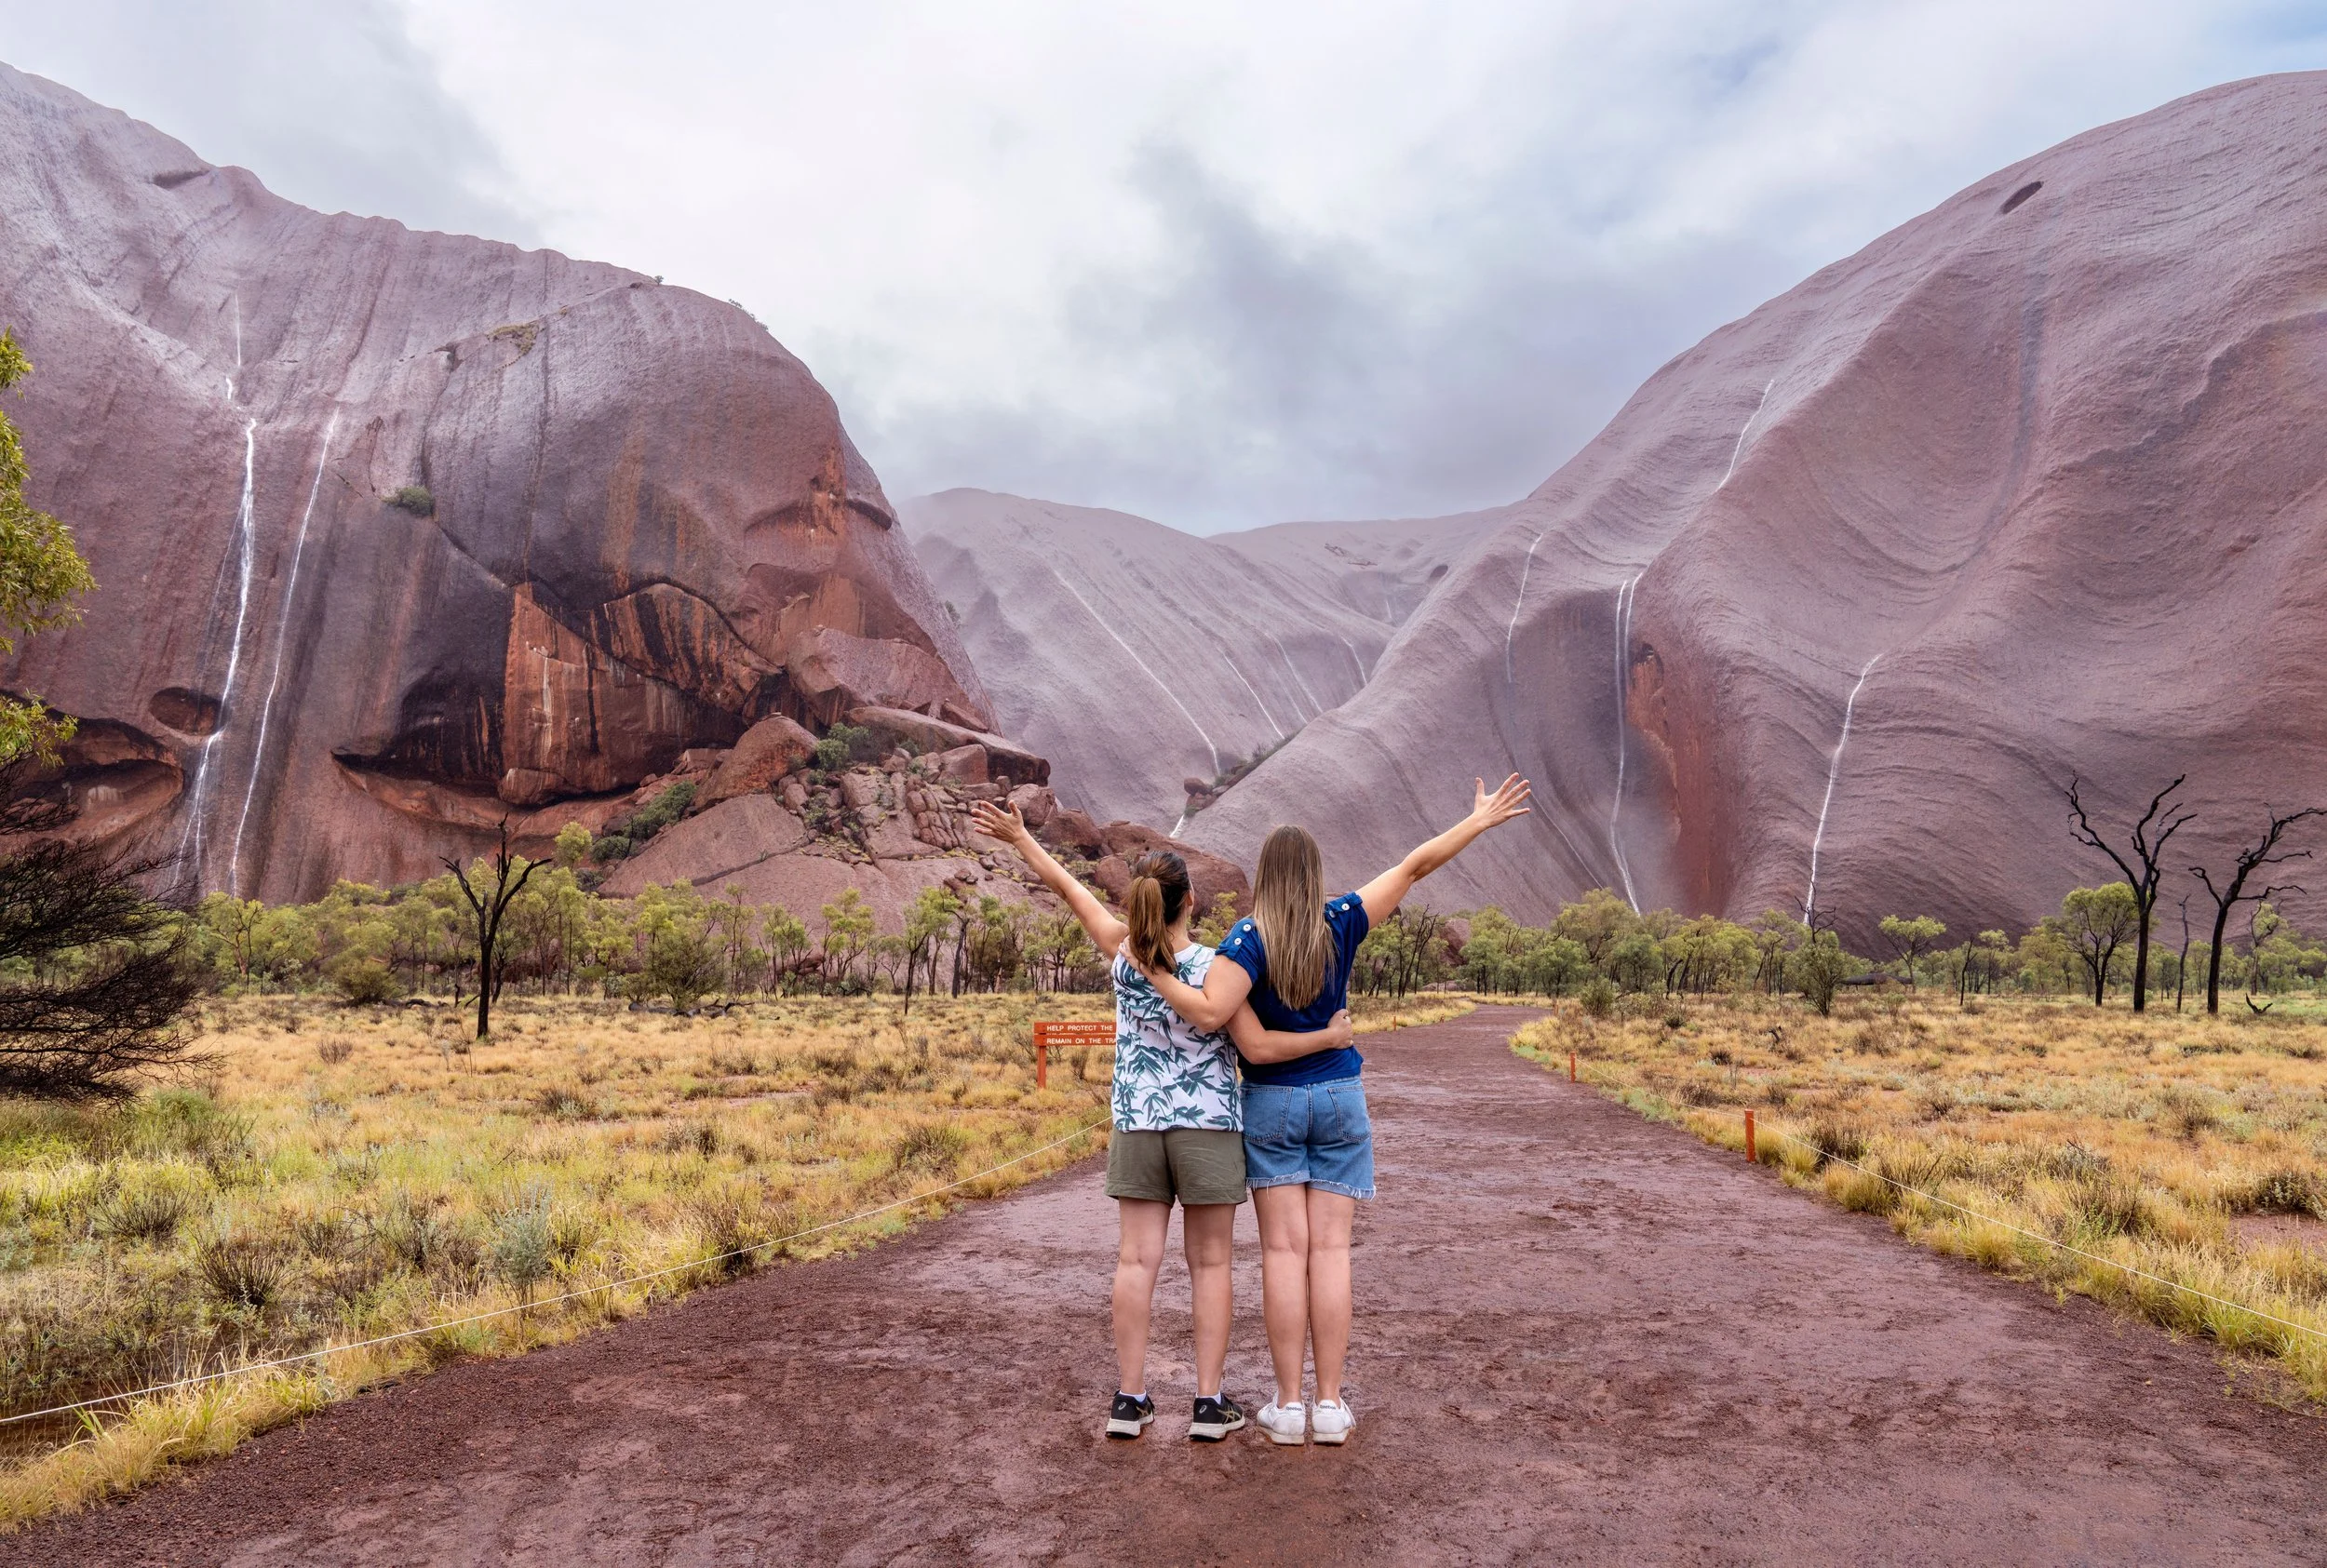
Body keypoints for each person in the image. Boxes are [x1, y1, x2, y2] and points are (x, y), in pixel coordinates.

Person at [1135, 775, 1533, 1447]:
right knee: (1334, 1251)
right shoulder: (1342, 919)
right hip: (1341, 1099)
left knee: (1285, 1253)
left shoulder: (1245, 942)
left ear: (1264, 877)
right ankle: (1328, 1404)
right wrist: (1477, 823)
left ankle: (1286, 1407)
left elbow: (1221, 1020)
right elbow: (1415, 864)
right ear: (1314, 875)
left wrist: (1152, 968)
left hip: (1272, 1104)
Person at [967, 797, 1350, 1442]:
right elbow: (1254, 1042)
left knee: (1136, 1260)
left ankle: (1130, 1397)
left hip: (1137, 1125)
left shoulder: (1124, 954)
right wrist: (1330, 1037)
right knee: (1211, 1266)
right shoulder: (1221, 968)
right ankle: (1206, 1403)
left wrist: (1022, 839)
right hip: (1207, 1129)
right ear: (1190, 901)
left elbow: (1068, 889)